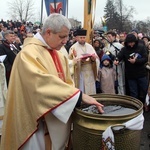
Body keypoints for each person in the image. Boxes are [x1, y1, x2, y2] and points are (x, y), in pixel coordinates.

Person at [0, 13, 104, 150]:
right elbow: (39, 85)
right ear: (48, 32)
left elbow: (67, 82)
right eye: (62, 36)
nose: (66, 41)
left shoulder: (59, 54)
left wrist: (72, 98)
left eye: (67, 36)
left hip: (56, 118)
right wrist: (78, 96)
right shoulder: (28, 54)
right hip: (36, 124)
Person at [114, 34, 148, 105]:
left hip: (141, 73)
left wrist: (136, 61)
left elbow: (145, 59)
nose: (131, 44)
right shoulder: (124, 49)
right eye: (129, 43)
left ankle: (146, 104)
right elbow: (119, 56)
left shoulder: (141, 47)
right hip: (130, 75)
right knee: (133, 92)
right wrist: (117, 60)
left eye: (132, 42)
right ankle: (135, 106)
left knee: (144, 90)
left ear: (135, 41)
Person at [68, 29, 100, 95]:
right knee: (82, 90)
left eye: (84, 38)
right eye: (81, 38)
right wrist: (80, 61)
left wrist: (93, 59)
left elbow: (97, 59)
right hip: (80, 72)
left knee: (91, 91)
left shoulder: (90, 47)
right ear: (77, 38)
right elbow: (70, 61)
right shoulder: (73, 48)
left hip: (90, 71)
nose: (82, 39)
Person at [105, 30, 125, 95]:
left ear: (114, 37)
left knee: (120, 82)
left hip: (118, 67)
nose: (108, 38)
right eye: (107, 37)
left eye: (109, 36)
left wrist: (114, 58)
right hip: (110, 67)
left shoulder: (119, 46)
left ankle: (121, 95)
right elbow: (106, 54)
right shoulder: (108, 46)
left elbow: (122, 57)